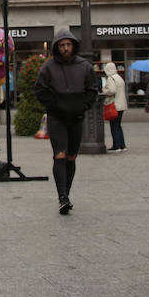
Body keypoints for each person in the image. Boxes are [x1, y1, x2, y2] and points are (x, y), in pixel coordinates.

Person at [33, 28, 99, 215]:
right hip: (57, 118)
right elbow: (40, 90)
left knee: (71, 157)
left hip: (76, 118)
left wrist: (83, 105)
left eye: (68, 44)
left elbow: (93, 89)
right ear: (57, 47)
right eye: (62, 45)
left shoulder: (84, 66)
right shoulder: (49, 67)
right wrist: (54, 105)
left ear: (73, 46)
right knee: (59, 155)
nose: (65, 48)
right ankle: (62, 196)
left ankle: (66, 194)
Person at [100, 61, 127, 152]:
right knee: (118, 125)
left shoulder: (111, 78)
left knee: (114, 125)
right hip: (121, 104)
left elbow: (112, 90)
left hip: (114, 105)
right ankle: (122, 145)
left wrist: (104, 91)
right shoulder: (119, 77)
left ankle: (116, 145)